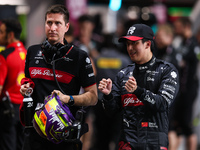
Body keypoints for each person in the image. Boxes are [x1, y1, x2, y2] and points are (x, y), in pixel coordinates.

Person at [19, 4, 98, 150]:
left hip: (63, 137)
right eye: (49, 23)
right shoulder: (32, 51)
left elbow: (93, 97)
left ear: (66, 27)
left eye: (58, 23)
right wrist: (25, 88)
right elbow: (28, 82)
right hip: (34, 135)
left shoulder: (79, 57)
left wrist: (69, 99)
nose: (52, 28)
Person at [98, 24, 179, 150]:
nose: (130, 48)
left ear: (147, 44)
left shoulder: (167, 71)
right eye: (128, 44)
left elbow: (163, 104)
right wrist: (108, 95)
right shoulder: (122, 74)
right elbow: (111, 112)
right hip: (127, 143)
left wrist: (138, 91)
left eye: (134, 43)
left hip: (155, 142)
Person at [169, 17, 199, 150]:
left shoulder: (194, 45)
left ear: (186, 26)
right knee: (177, 124)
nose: (175, 29)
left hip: (189, 90)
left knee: (187, 125)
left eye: (178, 26)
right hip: (179, 91)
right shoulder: (181, 44)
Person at [0, 19, 27, 150]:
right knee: (22, 146)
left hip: (7, 111)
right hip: (26, 110)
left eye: (1, 32)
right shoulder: (29, 54)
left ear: (10, 35)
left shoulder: (4, 56)